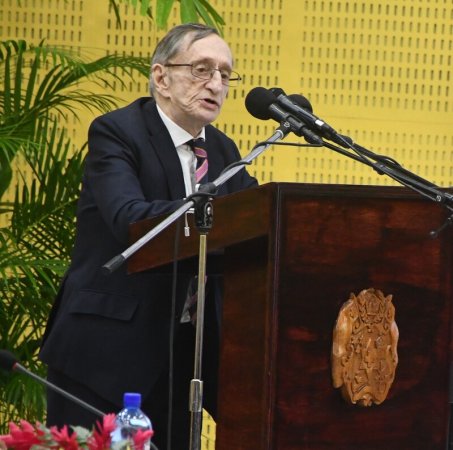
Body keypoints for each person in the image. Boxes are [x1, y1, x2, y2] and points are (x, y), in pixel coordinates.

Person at [39, 23, 257, 449]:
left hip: (183, 356)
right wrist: (208, 216)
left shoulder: (224, 151)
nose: (216, 84)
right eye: (201, 69)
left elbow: (254, 223)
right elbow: (130, 219)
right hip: (105, 353)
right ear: (161, 77)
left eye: (225, 74)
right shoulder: (118, 132)